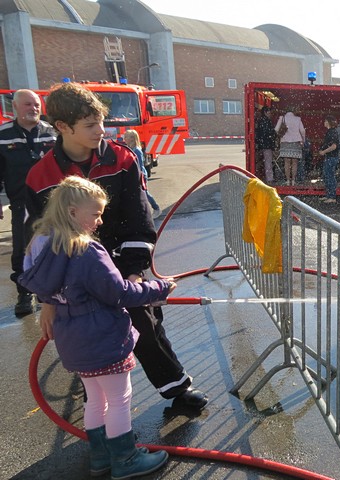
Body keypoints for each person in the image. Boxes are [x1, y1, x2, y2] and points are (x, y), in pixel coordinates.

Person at [25, 82, 208, 410]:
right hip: (73, 275)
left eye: (101, 121)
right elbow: (43, 237)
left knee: (145, 324)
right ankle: (99, 405)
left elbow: (139, 217)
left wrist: (133, 272)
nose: (102, 130)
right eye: (91, 125)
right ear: (63, 127)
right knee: (83, 333)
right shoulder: (41, 176)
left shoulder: (122, 159)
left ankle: (175, 389)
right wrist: (48, 299)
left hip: (123, 262)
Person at [19, 176, 172, 479]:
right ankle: (125, 459)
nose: (100, 221)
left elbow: (47, 290)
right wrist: (159, 288)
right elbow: (119, 293)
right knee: (118, 399)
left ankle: (101, 456)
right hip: (103, 337)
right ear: (73, 212)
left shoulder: (39, 246)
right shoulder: (86, 251)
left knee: (95, 398)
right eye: (96, 213)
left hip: (72, 340)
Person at [0, 89, 56, 316]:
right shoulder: (3, 135)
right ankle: (25, 293)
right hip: (22, 203)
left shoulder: (52, 133)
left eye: (36, 105)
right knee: (23, 248)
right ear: (15, 107)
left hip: (52, 202)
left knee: (56, 245)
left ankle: (54, 290)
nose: (33, 109)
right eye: (27, 105)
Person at [123, 129, 161, 219]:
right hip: (136, 174)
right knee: (138, 193)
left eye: (126, 137)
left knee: (144, 193)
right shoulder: (131, 148)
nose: (124, 138)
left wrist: (136, 176)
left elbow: (139, 165)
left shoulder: (137, 150)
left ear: (132, 138)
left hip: (140, 175)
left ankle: (156, 208)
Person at [275, 107, 305, 185]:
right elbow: (302, 131)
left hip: (285, 142)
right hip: (296, 142)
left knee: (287, 162)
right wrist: (303, 139)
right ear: (293, 111)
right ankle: (293, 180)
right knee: (294, 162)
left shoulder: (282, 118)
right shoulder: (298, 119)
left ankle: (288, 180)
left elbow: (276, 129)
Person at [318, 114, 339, 203]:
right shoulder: (331, 131)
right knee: (327, 176)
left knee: (330, 176)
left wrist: (324, 151)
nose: (324, 122)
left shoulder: (332, 132)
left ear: (329, 122)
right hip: (330, 157)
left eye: (326, 121)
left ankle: (332, 197)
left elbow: (334, 146)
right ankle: (329, 195)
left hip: (331, 157)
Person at [255, 106, 276, 184]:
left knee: (265, 161)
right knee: (268, 162)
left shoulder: (261, 121)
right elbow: (269, 133)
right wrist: (274, 133)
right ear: (265, 112)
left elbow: (261, 133)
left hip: (262, 144)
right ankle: (269, 179)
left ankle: (267, 177)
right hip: (267, 144)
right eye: (269, 113)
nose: (270, 114)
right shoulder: (267, 121)